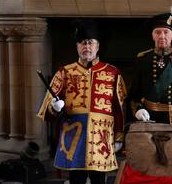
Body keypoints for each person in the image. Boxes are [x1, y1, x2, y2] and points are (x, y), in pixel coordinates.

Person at [37, 19, 127, 184]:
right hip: (73, 137)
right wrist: (55, 108)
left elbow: (119, 108)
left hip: (102, 138)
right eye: (82, 43)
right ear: (77, 47)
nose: (87, 47)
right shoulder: (64, 72)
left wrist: (119, 136)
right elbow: (46, 110)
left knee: (99, 180)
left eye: (90, 43)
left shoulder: (113, 72)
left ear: (98, 46)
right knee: (76, 180)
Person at [129, 13, 172, 124]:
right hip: (149, 117)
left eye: (166, 32)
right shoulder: (143, 59)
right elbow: (134, 92)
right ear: (152, 36)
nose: (162, 36)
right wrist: (138, 109)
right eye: (157, 32)